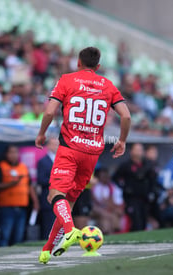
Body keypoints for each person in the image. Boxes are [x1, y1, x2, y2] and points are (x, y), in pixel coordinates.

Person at [34, 47, 131, 264]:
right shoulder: (107, 85)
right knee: (67, 203)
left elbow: (50, 111)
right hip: (92, 152)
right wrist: (122, 140)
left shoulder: (67, 80)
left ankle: (70, 230)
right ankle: (47, 250)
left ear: (78, 62)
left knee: (54, 195)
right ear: (98, 66)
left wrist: (41, 134)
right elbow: (126, 116)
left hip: (69, 148)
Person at [0, 145, 39, 247]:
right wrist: (12, 183)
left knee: (19, 236)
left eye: (15, 152)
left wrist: (35, 201)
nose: (13, 155)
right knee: (5, 235)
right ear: (6, 154)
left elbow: (30, 186)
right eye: (11, 152)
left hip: (22, 206)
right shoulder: (1, 167)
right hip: (7, 207)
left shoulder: (23, 167)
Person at [113, 143, 159, 231]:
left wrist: (151, 192)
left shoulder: (148, 164)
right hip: (131, 198)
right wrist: (124, 187)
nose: (139, 152)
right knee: (136, 219)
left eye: (140, 150)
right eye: (137, 150)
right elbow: (115, 178)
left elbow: (153, 180)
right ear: (131, 151)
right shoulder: (126, 165)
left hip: (145, 197)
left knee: (144, 219)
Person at [36, 137, 58, 240]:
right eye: (53, 144)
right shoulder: (43, 161)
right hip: (47, 197)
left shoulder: (62, 159)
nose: (56, 146)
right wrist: (56, 180)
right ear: (48, 146)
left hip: (60, 197)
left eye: (57, 144)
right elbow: (41, 179)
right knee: (48, 224)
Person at [91, 167, 124, 235]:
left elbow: (118, 203)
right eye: (103, 176)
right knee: (105, 215)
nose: (105, 178)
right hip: (96, 210)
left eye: (106, 176)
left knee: (107, 218)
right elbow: (93, 203)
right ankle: (109, 231)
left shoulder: (113, 187)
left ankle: (108, 232)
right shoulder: (94, 187)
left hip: (108, 210)